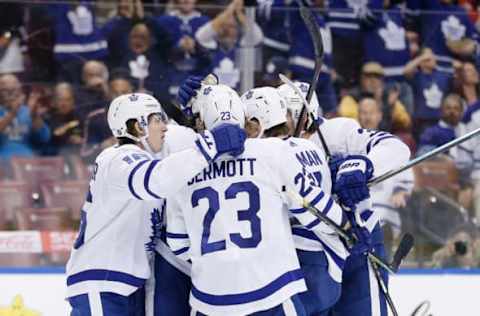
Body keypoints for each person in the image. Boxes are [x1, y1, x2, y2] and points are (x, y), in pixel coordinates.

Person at [165, 84, 346, 315]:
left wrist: (216, 264)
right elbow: (314, 210)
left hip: (210, 301)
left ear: (203, 122)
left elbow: (179, 243)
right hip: (272, 293)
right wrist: (346, 226)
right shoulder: (272, 152)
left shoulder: (184, 166)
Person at [66, 92, 247, 315]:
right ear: (136, 126)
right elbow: (157, 180)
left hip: (125, 284)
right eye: (156, 119)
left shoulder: (143, 161)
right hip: (102, 281)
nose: (164, 127)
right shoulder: (118, 158)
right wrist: (210, 145)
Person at [277, 80, 411, 316]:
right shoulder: (273, 145)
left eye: (285, 113)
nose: (278, 122)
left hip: (356, 246)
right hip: (306, 252)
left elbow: (396, 148)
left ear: (302, 113)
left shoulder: (336, 132)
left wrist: (363, 164)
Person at [241, 86, 349, 315]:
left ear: (260, 120)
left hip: (298, 264)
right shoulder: (311, 146)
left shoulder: (264, 155)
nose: (243, 131)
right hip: (329, 264)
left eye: (246, 124)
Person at [0, 74, 50, 160]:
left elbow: (44, 138)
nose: (11, 94)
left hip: (27, 159)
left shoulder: (27, 110)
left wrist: (34, 116)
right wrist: (12, 114)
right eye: (6, 90)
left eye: (14, 90)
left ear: (20, 91)